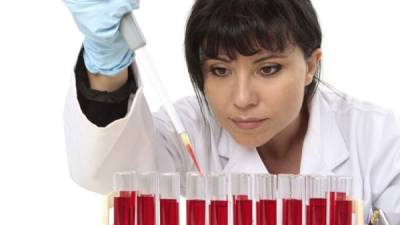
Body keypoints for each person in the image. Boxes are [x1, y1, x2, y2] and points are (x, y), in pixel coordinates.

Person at [64, 0, 400, 223]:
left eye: (268, 69)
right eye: (220, 70)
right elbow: (111, 174)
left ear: (311, 65)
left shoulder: (379, 141)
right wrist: (106, 63)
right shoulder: (188, 134)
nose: (241, 99)